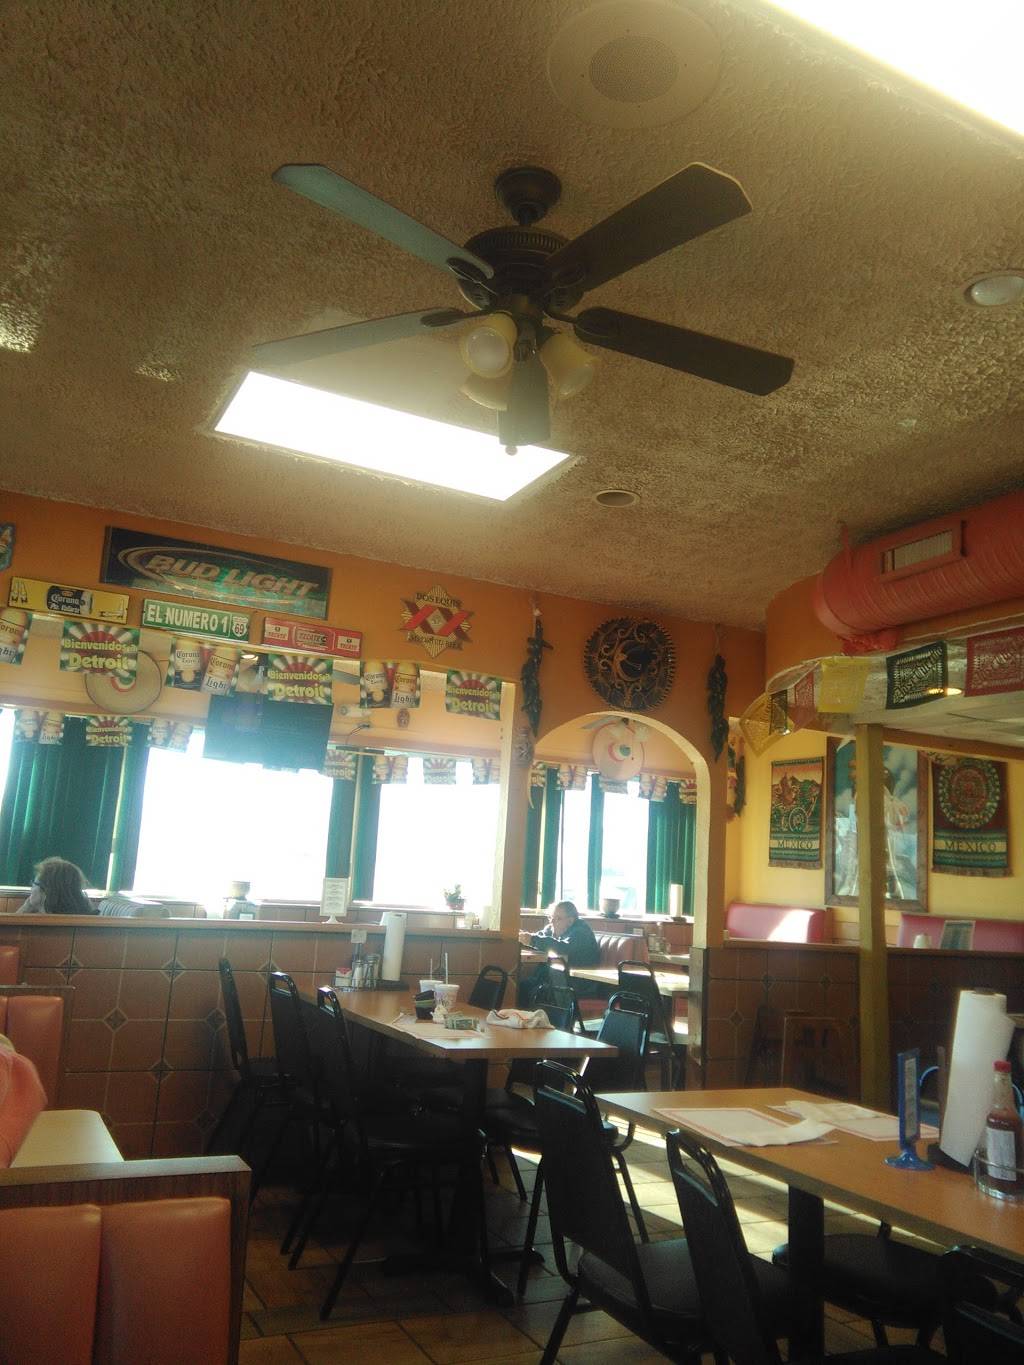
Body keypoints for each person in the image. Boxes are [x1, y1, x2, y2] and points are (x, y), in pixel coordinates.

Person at [517, 900, 599, 1005]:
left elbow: (563, 948)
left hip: (578, 985)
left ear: (570, 921)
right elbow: (540, 936)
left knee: (529, 991)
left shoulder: (581, 932)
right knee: (521, 987)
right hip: (558, 980)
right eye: (551, 918)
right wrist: (524, 938)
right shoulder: (555, 928)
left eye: (558, 918)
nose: (552, 922)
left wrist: (532, 940)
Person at [17, 858, 95, 915]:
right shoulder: (81, 919)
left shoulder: (51, 927)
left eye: (34, 883)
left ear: (47, 890)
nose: (31, 888)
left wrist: (22, 912)